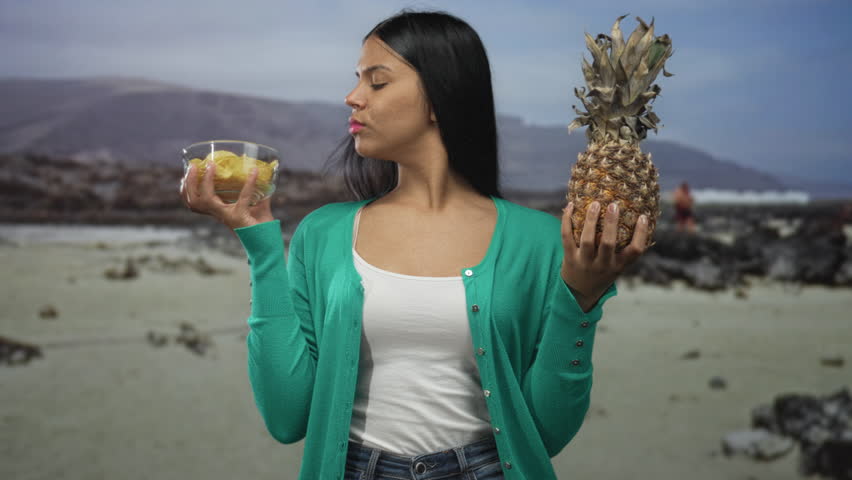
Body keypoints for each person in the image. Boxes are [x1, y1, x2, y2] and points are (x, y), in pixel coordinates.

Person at [180, 9, 648, 480]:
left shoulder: (541, 242)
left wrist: (581, 300)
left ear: (438, 98)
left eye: (377, 83)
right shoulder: (322, 233)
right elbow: (286, 418)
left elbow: (547, 432)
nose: (352, 97)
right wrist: (260, 245)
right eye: (357, 80)